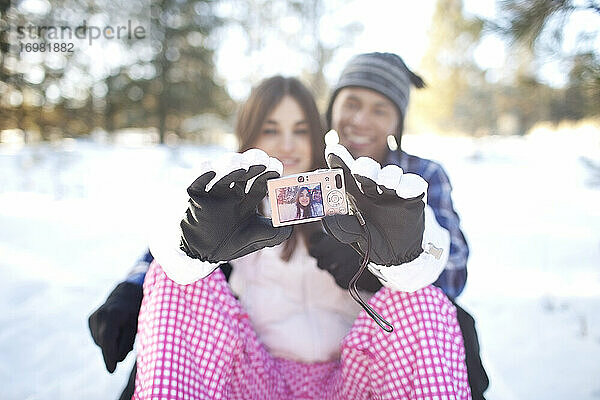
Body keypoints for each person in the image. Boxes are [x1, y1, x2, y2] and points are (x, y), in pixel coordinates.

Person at [89, 52, 486, 399]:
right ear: (331, 113)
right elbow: (185, 241)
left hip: (355, 360)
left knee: (435, 306)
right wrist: (132, 289)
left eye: (380, 109)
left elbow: (446, 269)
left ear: (398, 120)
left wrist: (379, 271)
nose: (362, 119)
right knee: (177, 282)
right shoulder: (268, 191)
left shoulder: (420, 174)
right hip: (260, 365)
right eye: (352, 103)